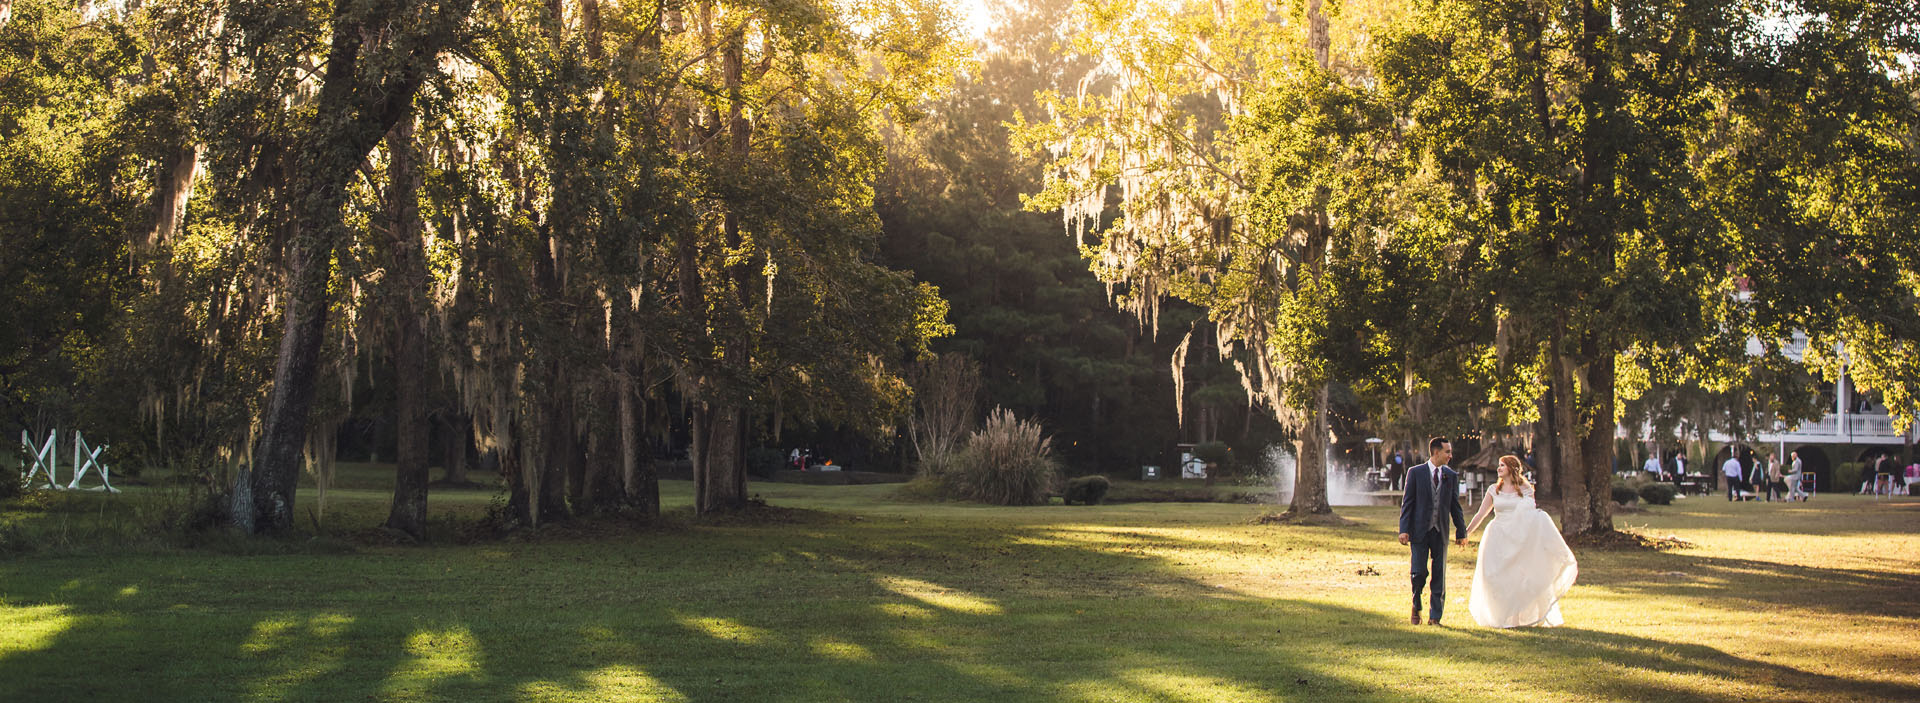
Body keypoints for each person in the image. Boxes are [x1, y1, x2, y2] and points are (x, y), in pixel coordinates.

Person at [1464, 455, 1578, 628]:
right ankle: (1502, 615)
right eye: (1499, 465)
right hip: (1498, 536)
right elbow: (1481, 514)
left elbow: (1529, 513)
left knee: (1519, 576)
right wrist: (1466, 533)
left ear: (1511, 468)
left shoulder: (1525, 489)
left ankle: (1517, 618)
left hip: (1519, 537)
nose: (1498, 468)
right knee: (1495, 576)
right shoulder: (1493, 490)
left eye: (1502, 465)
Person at [1399, 436, 1468, 626]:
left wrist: (1461, 532)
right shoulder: (1415, 473)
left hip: (1441, 532)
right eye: (1447, 452)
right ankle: (1416, 604)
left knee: (1440, 574)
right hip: (1420, 531)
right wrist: (1404, 530)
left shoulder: (1451, 476)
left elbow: (1455, 506)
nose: (1450, 456)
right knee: (1419, 572)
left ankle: (1435, 616)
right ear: (1436, 452)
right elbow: (1407, 504)